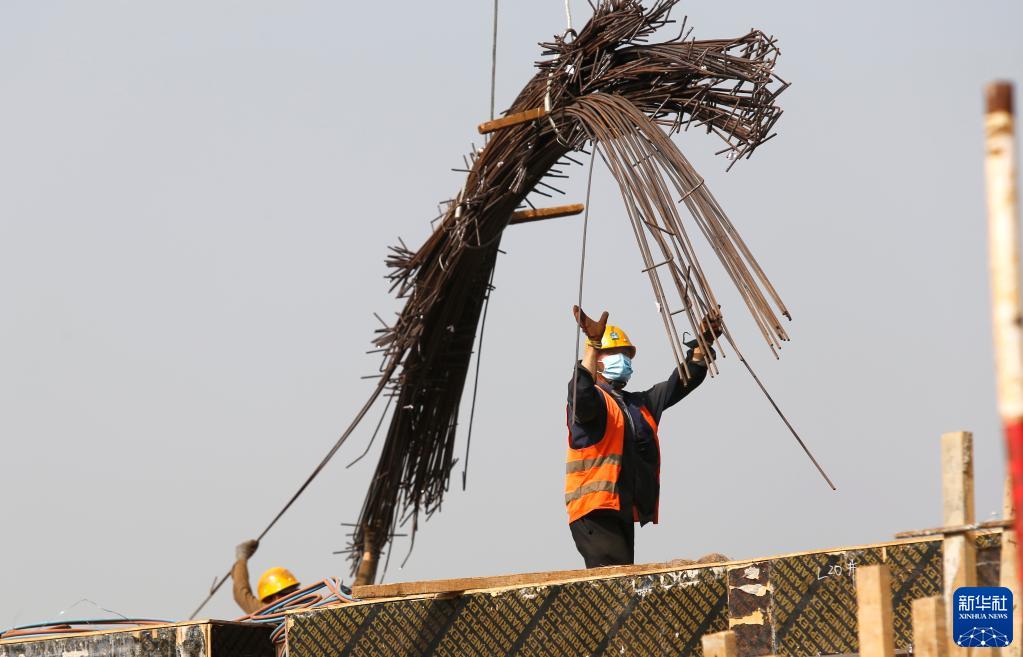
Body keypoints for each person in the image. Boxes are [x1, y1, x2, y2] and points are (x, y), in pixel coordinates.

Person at [565, 305, 722, 567]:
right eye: (615, 353)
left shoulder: (638, 406)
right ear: (598, 359)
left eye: (626, 355)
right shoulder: (592, 402)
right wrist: (592, 344)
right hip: (594, 509)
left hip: (622, 509)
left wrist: (703, 344)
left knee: (624, 578)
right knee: (614, 580)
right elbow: (581, 395)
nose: (623, 359)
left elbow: (680, 383)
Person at [232, 539, 301, 614]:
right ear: (274, 598)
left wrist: (241, 558)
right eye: (286, 593)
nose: (293, 596)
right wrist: (241, 561)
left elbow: (241, 594)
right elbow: (241, 594)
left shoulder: (306, 606)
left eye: (294, 591)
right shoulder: (269, 613)